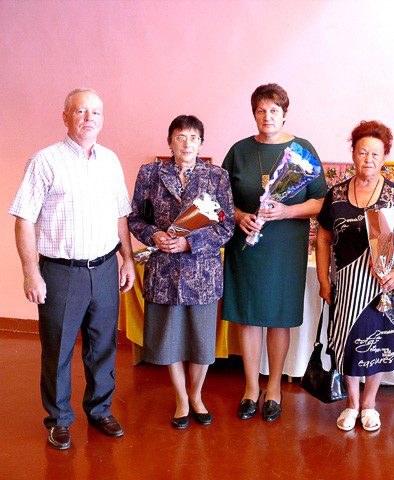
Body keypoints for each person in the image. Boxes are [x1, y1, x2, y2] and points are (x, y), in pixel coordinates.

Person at [9, 88, 135, 450]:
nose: (88, 118)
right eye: (80, 111)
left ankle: (100, 410)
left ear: (102, 119)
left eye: (95, 112)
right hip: (61, 272)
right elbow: (24, 219)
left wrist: (127, 258)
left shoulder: (110, 160)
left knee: (103, 346)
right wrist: (31, 272)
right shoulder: (45, 161)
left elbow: (120, 215)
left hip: (105, 268)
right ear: (66, 117)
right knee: (58, 348)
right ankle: (59, 419)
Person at [222, 83, 328, 422]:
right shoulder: (239, 151)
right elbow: (221, 200)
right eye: (261, 110)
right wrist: (239, 215)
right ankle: (251, 388)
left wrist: (287, 211)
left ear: (284, 114)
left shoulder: (302, 149)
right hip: (246, 246)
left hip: (285, 248)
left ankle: (274, 388)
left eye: (274, 110)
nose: (267, 116)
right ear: (254, 114)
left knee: (279, 317)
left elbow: (321, 202)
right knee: (249, 317)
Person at [128, 115, 235, 429]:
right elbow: (135, 218)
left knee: (202, 342)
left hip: (203, 272)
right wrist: (154, 236)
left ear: (201, 143)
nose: (187, 143)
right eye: (180, 137)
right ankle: (181, 399)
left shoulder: (216, 176)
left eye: (193, 137)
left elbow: (226, 226)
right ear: (170, 142)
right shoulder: (150, 173)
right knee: (169, 338)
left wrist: (190, 243)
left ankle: (197, 395)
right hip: (164, 271)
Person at [316, 120, 394, 431]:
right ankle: (351, 403)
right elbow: (322, 238)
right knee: (347, 343)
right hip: (346, 285)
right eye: (363, 152)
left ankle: (370, 404)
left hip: (382, 287)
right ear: (353, 154)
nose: (369, 159)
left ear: (384, 157)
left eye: (376, 153)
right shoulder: (335, 195)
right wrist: (323, 280)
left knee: (377, 345)